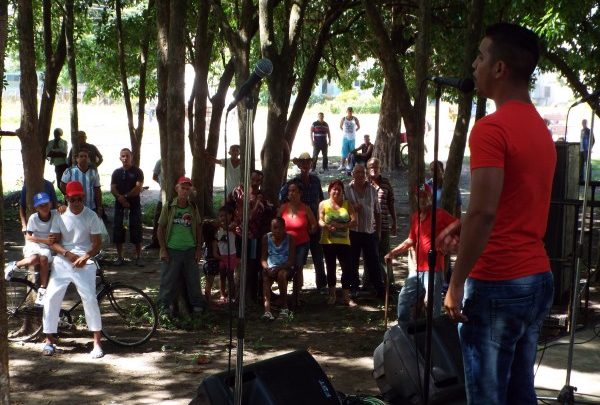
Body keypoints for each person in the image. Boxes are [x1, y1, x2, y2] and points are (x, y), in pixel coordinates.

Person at [438, 23, 556, 404]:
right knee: (520, 392)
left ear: (500, 68)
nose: (474, 65)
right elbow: (514, 202)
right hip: (536, 278)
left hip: (498, 284)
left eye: (481, 57)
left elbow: (485, 213)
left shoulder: (490, 129)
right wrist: (464, 221)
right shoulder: (540, 128)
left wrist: (456, 284)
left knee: (487, 396)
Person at [43, 181, 104, 358]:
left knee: (90, 298)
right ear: (67, 199)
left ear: (83, 198)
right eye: (72, 199)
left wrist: (85, 257)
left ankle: (97, 342)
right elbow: (53, 242)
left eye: (79, 198)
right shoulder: (59, 215)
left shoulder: (90, 215)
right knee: (52, 296)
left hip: (84, 261)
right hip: (63, 261)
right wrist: (67, 254)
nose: (76, 202)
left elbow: (97, 243)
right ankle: (49, 340)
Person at [384, 184, 458, 322]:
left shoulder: (439, 214)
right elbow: (411, 240)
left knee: (432, 305)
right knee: (404, 298)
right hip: (418, 269)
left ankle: (434, 336)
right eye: (419, 196)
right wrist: (393, 252)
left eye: (425, 195)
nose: (422, 199)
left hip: (434, 268)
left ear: (430, 197)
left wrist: (444, 239)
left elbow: (458, 224)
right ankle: (404, 330)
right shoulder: (415, 217)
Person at [156, 176, 207, 315]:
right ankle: (162, 310)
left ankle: (198, 309)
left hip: (190, 250)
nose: (184, 191)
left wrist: (198, 249)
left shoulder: (192, 207)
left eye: (187, 189)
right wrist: (163, 249)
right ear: (176, 189)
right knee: (168, 281)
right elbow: (160, 228)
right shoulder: (169, 206)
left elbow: (198, 227)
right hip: (172, 250)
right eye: (182, 188)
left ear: (190, 190)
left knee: (193, 281)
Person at [279, 152, 327, 291]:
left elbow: (320, 201)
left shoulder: (316, 181)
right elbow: (282, 198)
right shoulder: (293, 183)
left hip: (315, 225)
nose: (305, 165)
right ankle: (296, 289)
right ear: (299, 165)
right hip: (299, 227)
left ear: (311, 164)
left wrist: (320, 220)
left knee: (318, 256)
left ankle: (321, 285)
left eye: (308, 162)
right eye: (303, 163)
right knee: (298, 261)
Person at [5, 192, 58, 306]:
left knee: (43, 259)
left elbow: (67, 211)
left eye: (46, 204)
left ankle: (42, 290)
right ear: (36, 207)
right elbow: (28, 236)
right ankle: (14, 264)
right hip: (34, 243)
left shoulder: (55, 214)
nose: (44, 207)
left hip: (47, 247)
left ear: (51, 203)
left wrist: (63, 207)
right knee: (32, 259)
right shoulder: (34, 218)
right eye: (41, 205)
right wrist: (45, 240)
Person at [229, 170, 275, 303]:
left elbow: (270, 211)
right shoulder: (238, 191)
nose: (255, 183)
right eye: (253, 180)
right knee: (239, 264)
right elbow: (228, 205)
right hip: (239, 234)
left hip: (254, 236)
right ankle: (237, 295)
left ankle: (253, 295)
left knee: (253, 265)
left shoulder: (263, 198)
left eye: (258, 181)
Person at [344, 164, 385, 299]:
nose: (360, 175)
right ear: (352, 174)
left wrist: (378, 231)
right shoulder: (347, 190)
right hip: (353, 231)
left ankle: (379, 289)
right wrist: (351, 208)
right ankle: (353, 288)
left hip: (369, 231)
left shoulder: (373, 189)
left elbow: (378, 212)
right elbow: (341, 210)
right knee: (352, 261)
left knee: (373, 261)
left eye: (362, 172)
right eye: (357, 172)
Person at [278, 180, 317, 306]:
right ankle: (284, 297)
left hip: (302, 243)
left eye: (294, 191)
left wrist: (312, 229)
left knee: (298, 268)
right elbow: (276, 223)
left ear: (300, 193)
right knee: (284, 269)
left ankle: (297, 296)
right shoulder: (283, 208)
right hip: (285, 245)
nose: (291, 193)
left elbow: (314, 224)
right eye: (289, 191)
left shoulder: (305, 208)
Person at [319, 179, 357, 306]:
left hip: (344, 242)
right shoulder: (323, 204)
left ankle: (346, 297)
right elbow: (320, 220)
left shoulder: (347, 204)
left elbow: (354, 221)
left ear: (342, 192)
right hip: (328, 241)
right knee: (330, 268)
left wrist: (341, 226)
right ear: (329, 191)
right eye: (334, 189)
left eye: (339, 189)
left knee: (347, 268)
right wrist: (326, 226)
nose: (336, 191)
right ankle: (332, 295)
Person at [110, 148, 145, 266]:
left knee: (136, 229)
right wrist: (120, 198)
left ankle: (139, 256)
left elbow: (138, 188)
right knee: (118, 230)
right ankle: (120, 257)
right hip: (119, 205)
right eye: (123, 156)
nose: (125, 158)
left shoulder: (138, 172)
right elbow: (113, 188)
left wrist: (125, 197)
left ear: (131, 157)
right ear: (120, 158)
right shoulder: (116, 172)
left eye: (127, 156)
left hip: (134, 205)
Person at [367, 158, 397, 286]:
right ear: (368, 169)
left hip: (384, 225)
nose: (374, 168)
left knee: (385, 255)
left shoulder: (386, 183)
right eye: (371, 167)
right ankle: (368, 283)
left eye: (376, 166)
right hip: (367, 227)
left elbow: (391, 203)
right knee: (370, 256)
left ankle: (388, 283)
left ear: (380, 168)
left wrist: (394, 221)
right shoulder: (365, 184)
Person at [260, 217, 295, 320]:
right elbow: (263, 258)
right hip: (271, 267)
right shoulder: (266, 238)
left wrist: (279, 268)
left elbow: (291, 260)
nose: (277, 230)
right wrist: (267, 268)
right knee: (265, 276)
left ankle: (284, 307)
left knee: (281, 274)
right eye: (275, 228)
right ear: (271, 228)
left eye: (280, 228)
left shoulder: (290, 238)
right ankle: (267, 311)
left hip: (285, 267)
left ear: (284, 228)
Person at [60, 148, 102, 217]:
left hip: (91, 207)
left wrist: (99, 206)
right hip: (75, 207)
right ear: (77, 159)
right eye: (81, 156)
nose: (84, 158)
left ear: (88, 159)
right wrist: (70, 197)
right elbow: (62, 185)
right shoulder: (70, 171)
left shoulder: (94, 172)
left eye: (86, 156)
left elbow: (97, 190)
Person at [215, 205, 238, 303]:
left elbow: (227, 228)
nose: (222, 218)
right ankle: (222, 294)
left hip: (231, 254)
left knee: (230, 275)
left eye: (224, 216)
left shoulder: (233, 225)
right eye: (220, 216)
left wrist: (219, 224)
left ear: (230, 216)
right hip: (221, 255)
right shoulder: (218, 228)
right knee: (222, 275)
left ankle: (231, 295)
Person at [201, 220, 221, 306]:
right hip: (211, 263)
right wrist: (223, 258)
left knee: (207, 283)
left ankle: (207, 299)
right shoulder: (214, 241)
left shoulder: (205, 242)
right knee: (209, 283)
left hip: (205, 263)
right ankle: (208, 301)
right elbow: (215, 254)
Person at [145, 159, 163, 250]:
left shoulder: (177, 159)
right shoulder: (160, 161)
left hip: (173, 196)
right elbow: (154, 176)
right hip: (162, 197)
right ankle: (155, 242)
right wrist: (162, 185)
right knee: (157, 219)